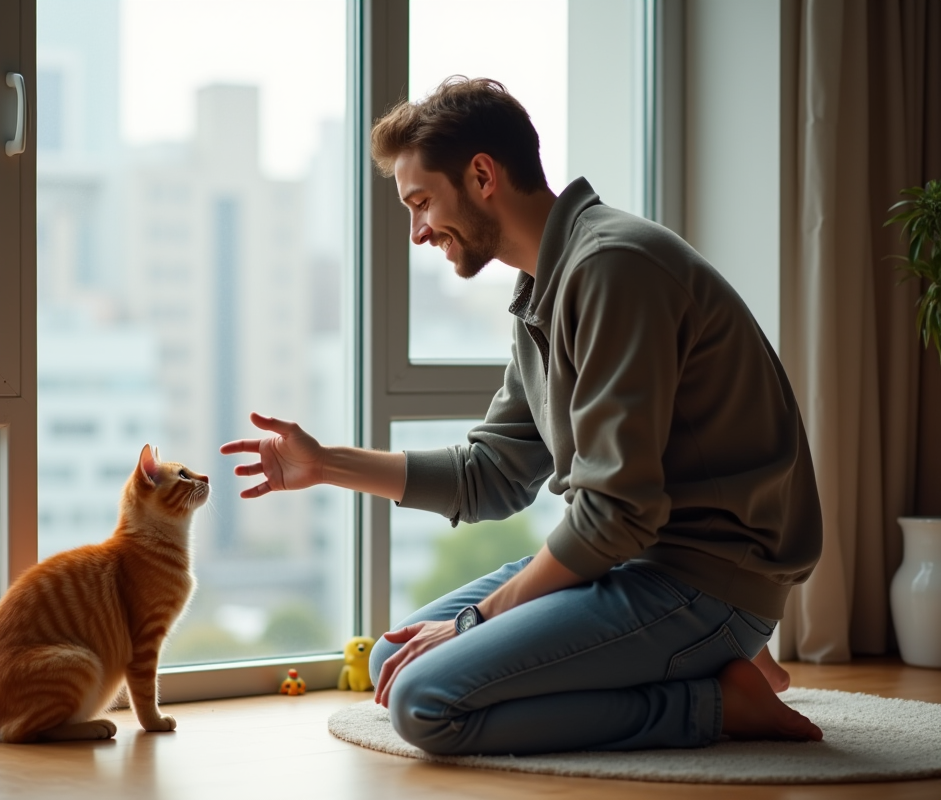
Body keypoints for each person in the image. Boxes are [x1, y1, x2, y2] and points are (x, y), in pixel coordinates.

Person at [220, 77, 823, 755]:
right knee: (401, 655)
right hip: (638, 566)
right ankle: (707, 660)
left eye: (421, 203)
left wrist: (478, 620)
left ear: (481, 175)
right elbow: (491, 476)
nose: (418, 232)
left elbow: (619, 513)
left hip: (703, 579)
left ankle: (714, 701)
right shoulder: (546, 283)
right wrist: (326, 464)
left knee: (427, 704)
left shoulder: (611, 269)